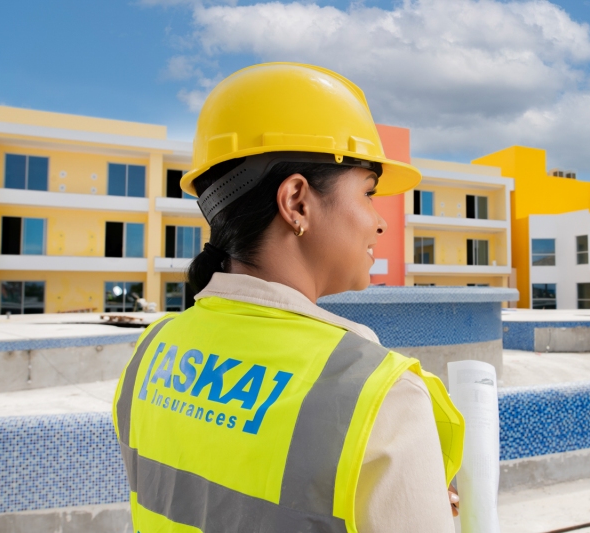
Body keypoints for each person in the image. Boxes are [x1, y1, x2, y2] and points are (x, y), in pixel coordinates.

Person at [112, 63, 464, 533]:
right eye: (369, 192)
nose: (380, 223)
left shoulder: (152, 353)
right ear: (297, 200)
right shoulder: (377, 396)